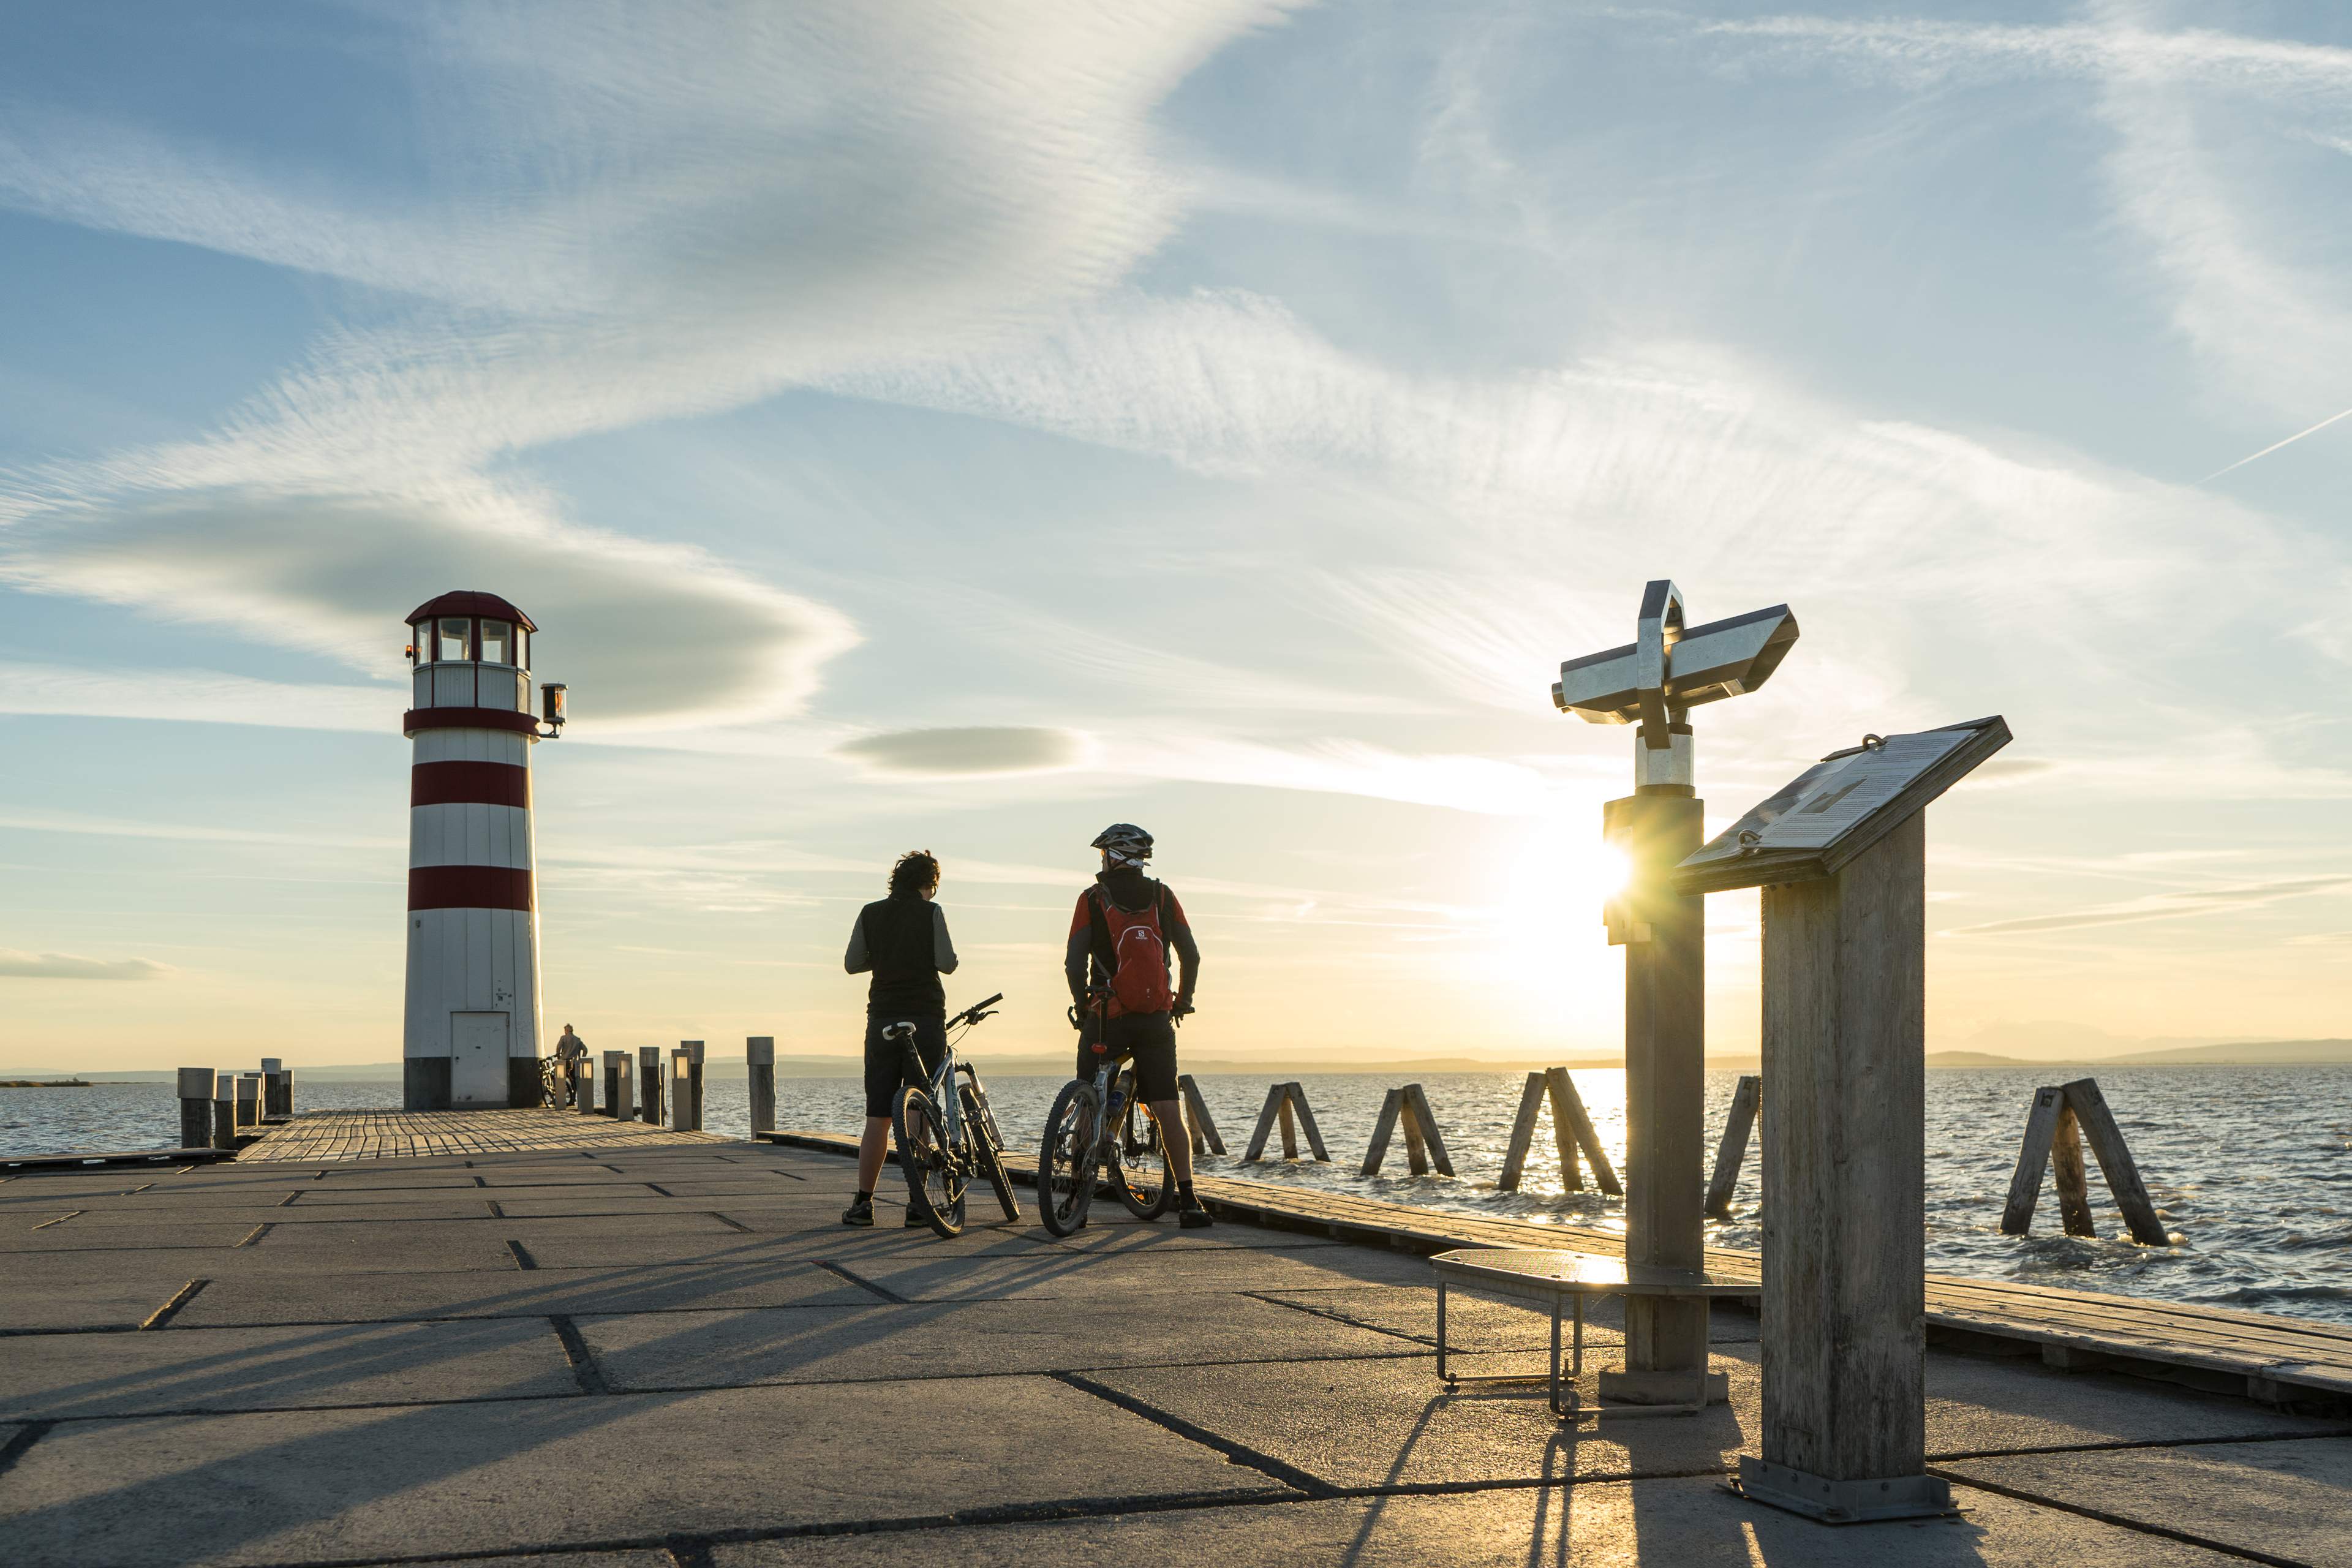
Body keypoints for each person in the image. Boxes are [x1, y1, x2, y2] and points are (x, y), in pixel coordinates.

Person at [1065, 823, 1211, 1227]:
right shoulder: (1163, 897)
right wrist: (1182, 1001)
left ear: (1113, 857)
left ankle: (1076, 1195)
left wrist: (1083, 1005)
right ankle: (1189, 1201)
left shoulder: (1092, 899)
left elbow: (1074, 964)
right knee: (1166, 1106)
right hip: (1155, 1019)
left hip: (1107, 1017)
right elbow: (1191, 956)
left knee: (1086, 1103)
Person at [842, 850, 959, 1226]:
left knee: (878, 1116)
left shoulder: (870, 912)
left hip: (882, 1019)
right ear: (930, 884)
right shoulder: (932, 912)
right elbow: (947, 963)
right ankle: (917, 1204)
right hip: (924, 1018)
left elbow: (852, 963)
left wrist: (886, 956)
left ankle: (863, 1204)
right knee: (918, 1109)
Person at [555, 1024, 588, 1107]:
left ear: (566, 1031)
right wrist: (582, 1059)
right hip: (574, 1062)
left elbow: (559, 1047)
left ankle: (560, 1100)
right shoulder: (578, 1040)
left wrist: (559, 1056)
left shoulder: (564, 1038)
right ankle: (573, 1099)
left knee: (560, 1080)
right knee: (574, 1081)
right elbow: (585, 1050)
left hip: (564, 1062)